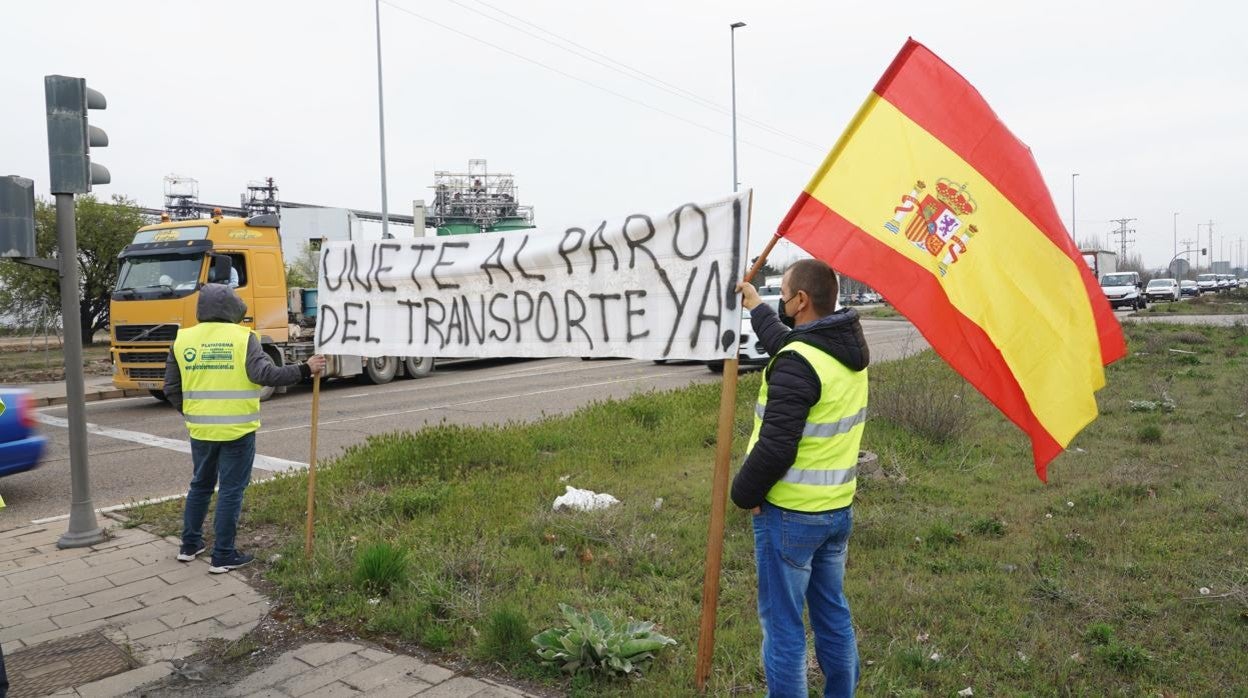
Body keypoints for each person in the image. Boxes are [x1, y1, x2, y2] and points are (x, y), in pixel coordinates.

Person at [732, 259, 870, 697]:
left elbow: (775, 448)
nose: (781, 299)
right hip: (835, 512)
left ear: (801, 300)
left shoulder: (800, 361)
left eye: (784, 292)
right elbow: (787, 344)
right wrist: (755, 305)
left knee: (785, 630)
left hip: (790, 516)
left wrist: (743, 493)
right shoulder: (843, 350)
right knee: (832, 614)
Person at [163, 283, 327, 573]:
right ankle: (223, 555)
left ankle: (190, 546)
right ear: (233, 309)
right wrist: (305, 369)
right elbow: (265, 374)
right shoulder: (243, 338)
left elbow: (171, 388)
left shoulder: (183, 339)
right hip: (237, 430)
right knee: (230, 491)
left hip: (200, 430)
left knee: (199, 486)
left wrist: (191, 412)